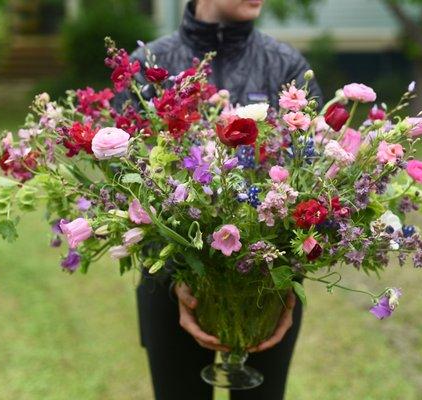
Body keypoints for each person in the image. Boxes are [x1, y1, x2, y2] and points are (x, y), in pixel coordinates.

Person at [119, 1, 323, 399]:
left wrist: (288, 284)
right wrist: (177, 278)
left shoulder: (287, 68)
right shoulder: (148, 66)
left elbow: (313, 189)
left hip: (266, 294)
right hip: (169, 291)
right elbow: (127, 190)